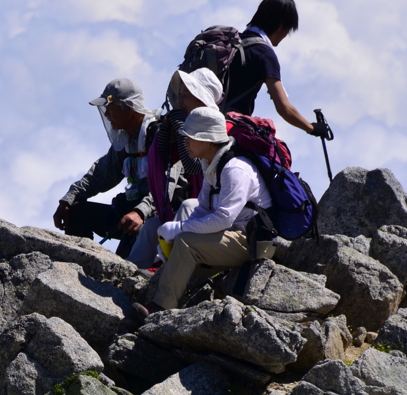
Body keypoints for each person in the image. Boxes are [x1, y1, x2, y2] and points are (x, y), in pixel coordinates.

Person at [133, 107, 274, 315]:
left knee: (187, 243)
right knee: (183, 240)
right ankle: (171, 289)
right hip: (236, 235)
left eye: (190, 137)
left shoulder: (235, 169)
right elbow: (203, 209)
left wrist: (181, 229)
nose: (185, 142)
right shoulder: (212, 164)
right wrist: (179, 232)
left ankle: (161, 306)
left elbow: (223, 219)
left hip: (253, 241)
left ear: (208, 140)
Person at [53, 78, 162, 267]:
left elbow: (169, 185)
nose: (106, 113)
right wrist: (68, 199)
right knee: (77, 213)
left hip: (154, 220)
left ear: (127, 107)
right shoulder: (125, 141)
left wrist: (141, 211)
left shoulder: (159, 135)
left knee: (123, 266)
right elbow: (100, 175)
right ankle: (79, 269)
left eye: (109, 107)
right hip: (131, 217)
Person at [136, 68, 226, 267]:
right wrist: (170, 130)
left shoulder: (219, 128)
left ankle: (166, 269)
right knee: (152, 226)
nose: (179, 101)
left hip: (223, 215)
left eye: (186, 96)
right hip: (206, 209)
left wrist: (179, 127)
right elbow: (163, 157)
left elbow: (194, 167)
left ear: (202, 100)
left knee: (188, 206)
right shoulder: (189, 128)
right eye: (180, 95)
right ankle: (130, 273)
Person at [223, 0, 329, 139]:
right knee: (272, 156)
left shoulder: (232, 43)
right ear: (280, 26)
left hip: (196, 121)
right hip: (227, 128)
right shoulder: (264, 53)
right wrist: (312, 128)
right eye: (288, 30)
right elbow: (284, 108)